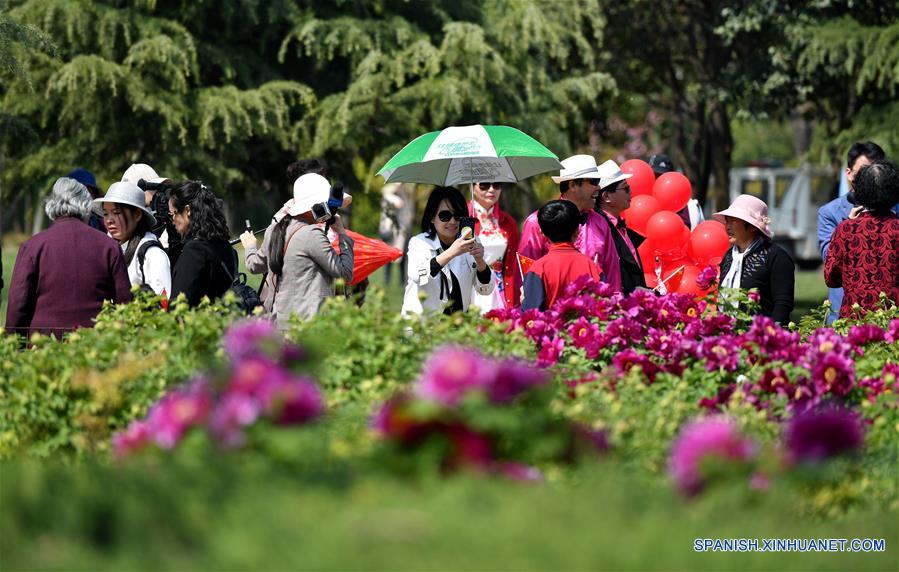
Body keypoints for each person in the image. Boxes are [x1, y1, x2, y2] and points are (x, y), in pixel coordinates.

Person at [5, 178, 132, 336]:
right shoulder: (109, 246)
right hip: (95, 343)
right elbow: (124, 301)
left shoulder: (32, 246)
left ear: (51, 204)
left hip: (44, 346)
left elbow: (18, 304)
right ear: (86, 205)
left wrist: (14, 343)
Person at [241, 173, 354, 324]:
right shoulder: (311, 234)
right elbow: (345, 273)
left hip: (280, 321)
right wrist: (342, 233)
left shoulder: (273, 230)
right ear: (316, 204)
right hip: (308, 324)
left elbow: (254, 266)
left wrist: (250, 247)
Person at [817, 142, 890, 324]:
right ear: (848, 173)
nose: (871, 178)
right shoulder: (830, 212)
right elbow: (831, 265)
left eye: (875, 170)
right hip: (847, 311)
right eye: (864, 172)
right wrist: (853, 228)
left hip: (890, 311)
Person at [402, 186, 493, 316]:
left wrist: (480, 261)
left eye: (458, 216)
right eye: (445, 216)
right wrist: (452, 252)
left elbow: (485, 289)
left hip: (459, 326)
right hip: (423, 325)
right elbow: (416, 275)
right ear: (432, 217)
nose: (452, 221)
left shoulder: (471, 242)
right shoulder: (418, 243)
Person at [715, 194, 795, 325]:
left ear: (752, 227)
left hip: (760, 338)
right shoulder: (729, 256)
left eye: (733, 221)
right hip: (728, 337)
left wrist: (770, 335)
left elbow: (783, 304)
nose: (727, 226)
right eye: (726, 221)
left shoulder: (776, 256)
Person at [520, 155, 610, 267]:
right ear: (572, 185)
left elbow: (612, 276)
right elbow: (526, 276)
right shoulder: (536, 223)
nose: (599, 187)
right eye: (594, 181)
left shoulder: (601, 223)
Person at [93, 181, 171, 296]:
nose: (109, 220)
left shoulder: (152, 255)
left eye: (116, 212)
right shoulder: (110, 249)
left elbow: (163, 305)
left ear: (137, 215)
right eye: (105, 214)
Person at [522, 200, 602, 311]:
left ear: (542, 233)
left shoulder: (538, 269)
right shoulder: (593, 267)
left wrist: (524, 301)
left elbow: (532, 315)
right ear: (577, 231)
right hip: (586, 327)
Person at [168, 182, 236, 306]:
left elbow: (180, 303)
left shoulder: (194, 251)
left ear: (188, 210)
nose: (172, 220)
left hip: (200, 322)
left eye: (174, 213)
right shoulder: (224, 244)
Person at [594, 159, 647, 295]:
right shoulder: (598, 229)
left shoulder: (620, 227)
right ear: (606, 196)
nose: (630, 191)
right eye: (625, 188)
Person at [467, 180, 521, 311]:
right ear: (472, 187)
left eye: (496, 185)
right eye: (484, 185)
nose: (491, 189)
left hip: (499, 287)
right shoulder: (461, 218)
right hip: (470, 284)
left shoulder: (508, 221)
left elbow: (514, 262)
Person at [648, 154, 704, 229]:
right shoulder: (638, 205)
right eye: (654, 176)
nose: (658, 181)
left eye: (661, 176)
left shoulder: (692, 208)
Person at [379, 182, 415, 286]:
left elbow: (408, 209)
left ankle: (402, 281)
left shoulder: (406, 192)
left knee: (402, 257)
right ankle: (387, 280)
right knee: (389, 256)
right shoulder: (389, 192)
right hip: (390, 230)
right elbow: (394, 201)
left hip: (402, 230)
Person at [67, 168, 106, 232]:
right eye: (78, 193)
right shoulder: (60, 227)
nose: (85, 198)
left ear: (94, 196)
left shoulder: (103, 225)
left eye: (88, 193)